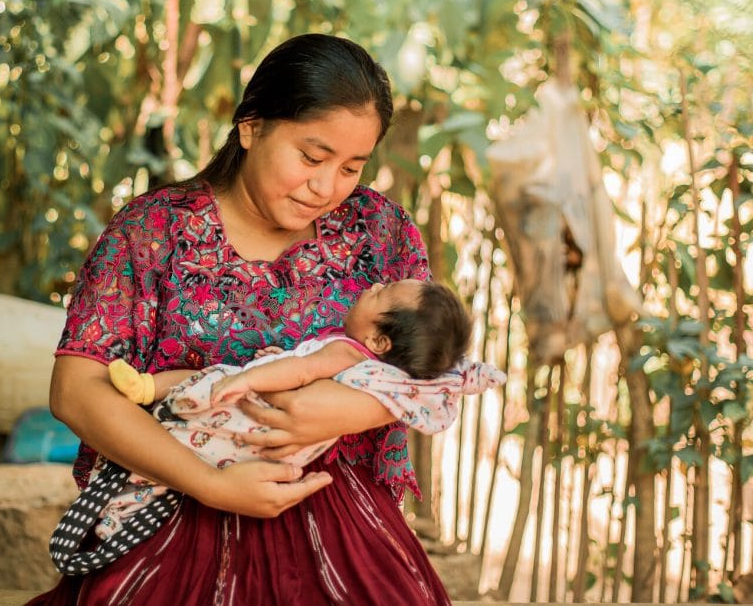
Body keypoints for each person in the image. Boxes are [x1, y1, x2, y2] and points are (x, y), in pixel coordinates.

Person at [28, 34, 458, 606]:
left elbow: (435, 366)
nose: (326, 187)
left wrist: (349, 407)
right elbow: (76, 391)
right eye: (311, 157)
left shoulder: (380, 232)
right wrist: (211, 484)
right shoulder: (153, 232)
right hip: (175, 517)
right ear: (251, 127)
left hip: (343, 531)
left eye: (351, 167)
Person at [48, 280, 506, 574]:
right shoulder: (383, 369)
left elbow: (298, 375)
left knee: (209, 379)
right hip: (266, 456)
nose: (374, 285)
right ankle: (147, 394)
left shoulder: (346, 352)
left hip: (253, 423)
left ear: (378, 340)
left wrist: (246, 377)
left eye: (382, 292)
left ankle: (148, 391)